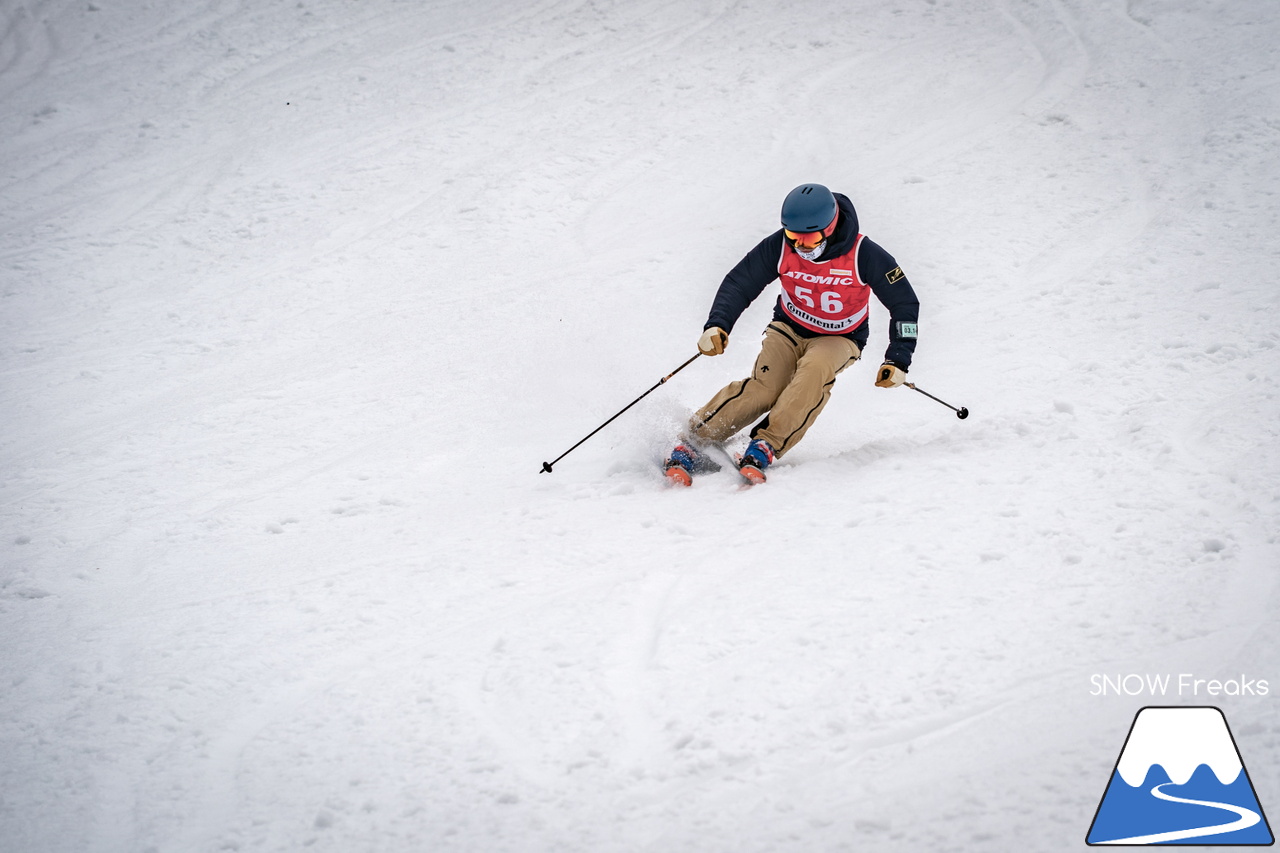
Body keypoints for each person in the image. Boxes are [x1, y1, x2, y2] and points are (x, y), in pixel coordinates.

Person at [664, 183, 920, 486]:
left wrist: (898, 359)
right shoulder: (781, 246)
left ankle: (766, 444)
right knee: (766, 387)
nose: (802, 246)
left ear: (831, 224)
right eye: (793, 236)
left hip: (840, 337)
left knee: (812, 374)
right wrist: (717, 324)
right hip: (788, 326)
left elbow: (905, 304)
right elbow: (741, 281)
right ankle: (693, 441)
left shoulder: (865, 254)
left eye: (810, 238)